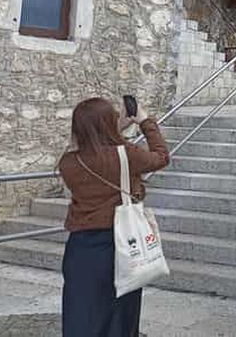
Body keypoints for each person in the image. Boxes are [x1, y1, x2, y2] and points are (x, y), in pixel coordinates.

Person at [58, 97, 170, 337]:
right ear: (108, 124)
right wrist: (144, 121)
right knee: (120, 316)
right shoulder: (125, 155)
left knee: (81, 313)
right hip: (121, 246)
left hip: (81, 249)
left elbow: (84, 148)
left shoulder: (68, 163)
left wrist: (106, 130)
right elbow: (161, 156)